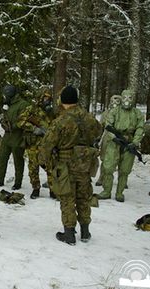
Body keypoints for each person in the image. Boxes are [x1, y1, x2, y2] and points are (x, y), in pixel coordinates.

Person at [39, 85, 102, 245]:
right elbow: (98, 132)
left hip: (65, 164)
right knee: (83, 197)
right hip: (85, 164)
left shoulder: (61, 121)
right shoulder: (89, 118)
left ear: (63, 100)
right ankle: (85, 232)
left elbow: (47, 144)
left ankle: (69, 234)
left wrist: (43, 161)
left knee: (67, 198)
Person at [96, 89, 144, 202]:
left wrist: (135, 142)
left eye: (130, 98)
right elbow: (109, 125)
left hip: (129, 143)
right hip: (114, 142)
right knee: (108, 167)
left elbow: (140, 128)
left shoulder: (137, 114)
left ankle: (119, 193)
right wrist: (114, 137)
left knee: (124, 169)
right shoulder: (114, 112)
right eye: (125, 98)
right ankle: (106, 191)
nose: (127, 101)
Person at [16, 87, 56, 199]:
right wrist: (33, 128)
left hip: (47, 144)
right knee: (33, 167)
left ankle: (53, 190)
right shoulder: (31, 109)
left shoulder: (51, 112)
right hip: (33, 143)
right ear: (40, 97)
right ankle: (35, 188)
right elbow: (20, 121)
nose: (47, 100)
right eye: (45, 98)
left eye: (49, 98)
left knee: (50, 166)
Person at [0, 84, 32, 190]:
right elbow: (4, 117)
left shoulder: (23, 104)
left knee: (18, 160)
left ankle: (18, 183)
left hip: (18, 136)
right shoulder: (8, 104)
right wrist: (3, 122)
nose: (5, 97)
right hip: (7, 136)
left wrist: (13, 126)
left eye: (6, 94)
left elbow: (24, 120)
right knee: (2, 158)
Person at [95, 95, 121, 186]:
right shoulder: (105, 113)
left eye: (117, 102)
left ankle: (121, 179)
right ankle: (102, 177)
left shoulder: (124, 114)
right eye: (112, 102)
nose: (114, 104)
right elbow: (101, 127)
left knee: (121, 158)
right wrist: (98, 138)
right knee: (104, 158)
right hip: (107, 137)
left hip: (119, 137)